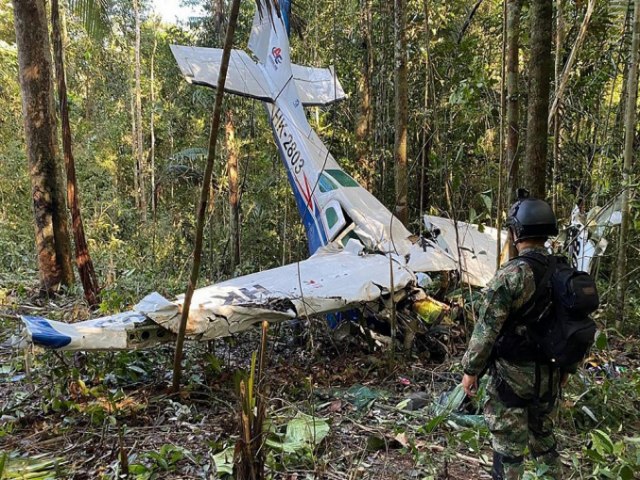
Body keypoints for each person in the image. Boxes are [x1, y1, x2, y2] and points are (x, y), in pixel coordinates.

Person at [460, 192, 571, 480]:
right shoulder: (564, 271)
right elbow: (574, 326)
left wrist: (470, 371)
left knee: (509, 452)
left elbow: (486, 330)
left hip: (512, 381)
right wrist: (566, 369)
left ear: (517, 232)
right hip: (550, 377)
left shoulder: (512, 275)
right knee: (546, 446)